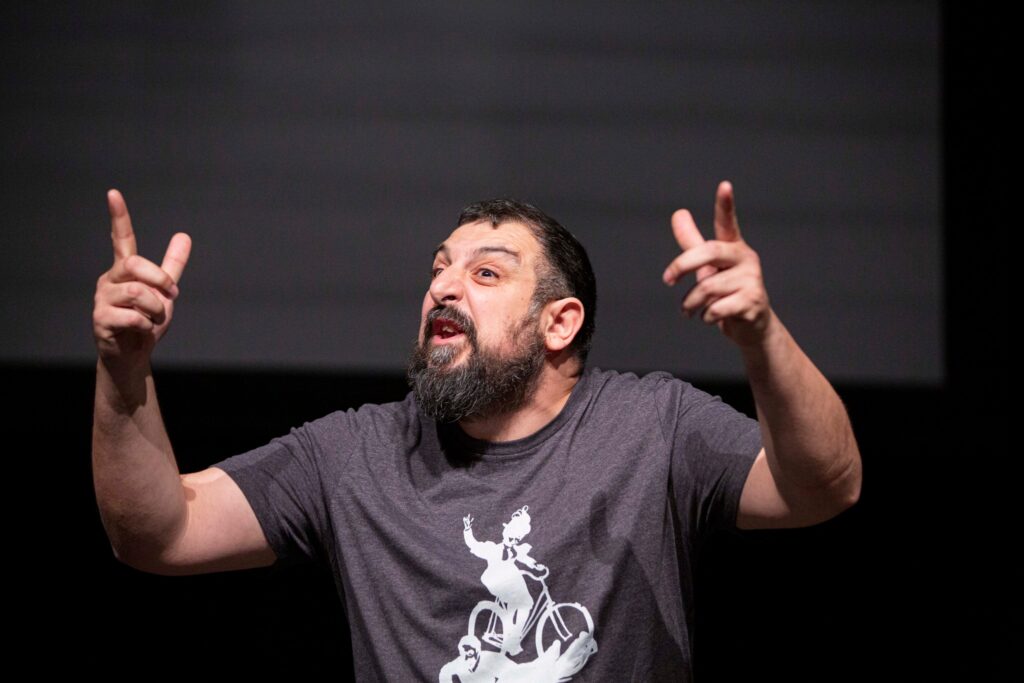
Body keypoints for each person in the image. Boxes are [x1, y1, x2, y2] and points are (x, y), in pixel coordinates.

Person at [91, 182, 862, 681]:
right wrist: (123, 368)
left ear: (559, 323)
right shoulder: (354, 454)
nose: (443, 288)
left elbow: (825, 485)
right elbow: (158, 533)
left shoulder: (652, 425)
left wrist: (762, 336)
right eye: (439, 269)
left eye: (485, 273)